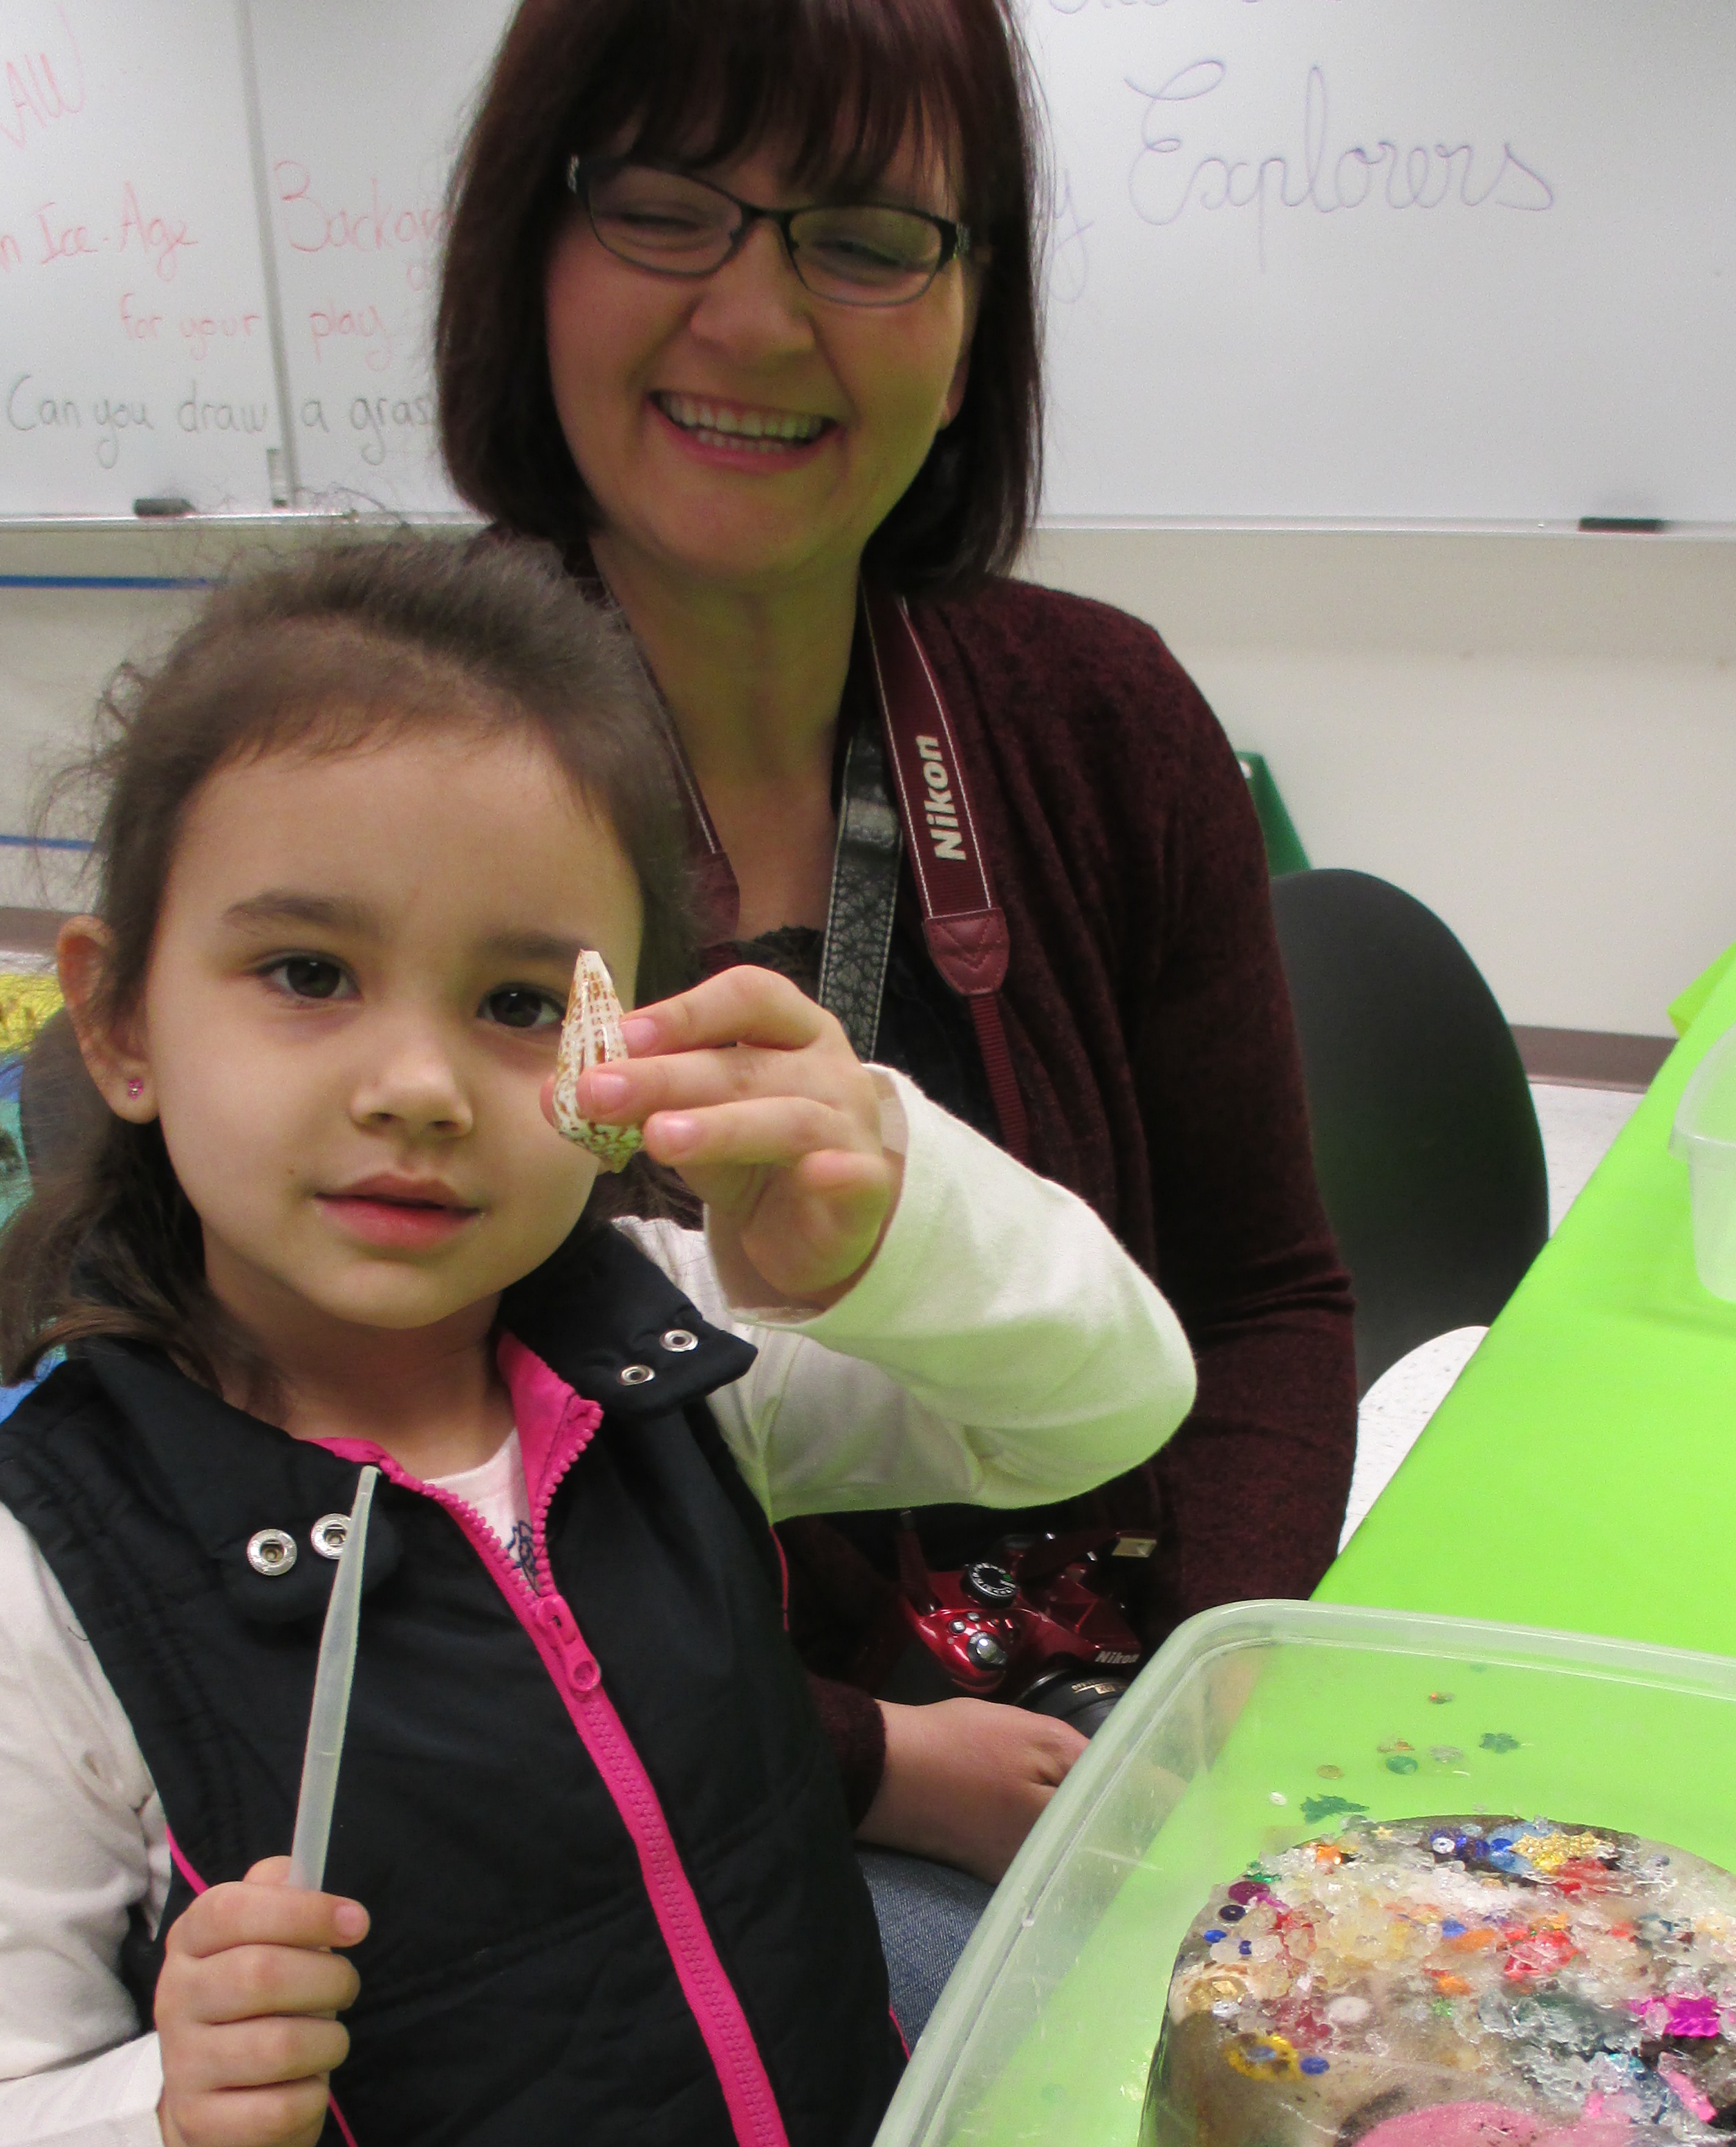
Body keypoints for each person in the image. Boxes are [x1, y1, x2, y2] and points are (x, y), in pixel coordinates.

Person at [0, 536, 1193, 2147]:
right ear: (123, 1019)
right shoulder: (31, 1597)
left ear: (621, 1050)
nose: (409, 1087)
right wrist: (159, 2131)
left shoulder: (672, 1341)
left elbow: (1115, 1393)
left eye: (510, 1003)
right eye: (303, 971)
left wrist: (884, 1217)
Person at [435, 0, 1358, 2024]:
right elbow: (348, 1471)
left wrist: (1205, 1682)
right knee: (1078, 2121)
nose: (757, 322)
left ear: (975, 316)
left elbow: (1266, 1293)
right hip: (683, 1763)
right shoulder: (405, 764)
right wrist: (861, 1755)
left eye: (864, 236)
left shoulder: (1097, 717)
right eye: (666, 209)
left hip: (1116, 1697)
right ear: (531, 248)